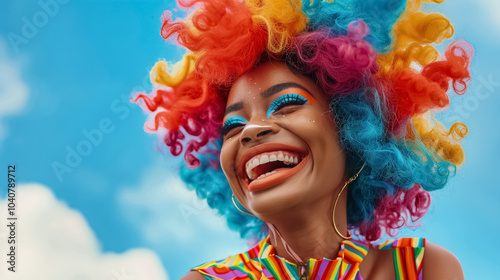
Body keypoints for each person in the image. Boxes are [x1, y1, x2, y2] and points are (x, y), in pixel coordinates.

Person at [133, 0, 472, 279]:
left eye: (286, 103)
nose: (251, 131)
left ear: (353, 133)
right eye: (233, 127)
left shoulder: (425, 269)